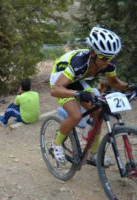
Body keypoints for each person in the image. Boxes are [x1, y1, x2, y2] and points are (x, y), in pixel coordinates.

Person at [49, 27, 137, 166]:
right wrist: (77, 94)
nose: (107, 61)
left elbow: (113, 82)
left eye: (111, 57)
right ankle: (56, 144)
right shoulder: (79, 63)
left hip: (80, 80)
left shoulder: (107, 63)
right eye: (103, 57)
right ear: (92, 53)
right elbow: (55, 90)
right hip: (61, 79)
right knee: (76, 115)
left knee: (98, 115)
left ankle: (94, 154)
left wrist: (130, 87)